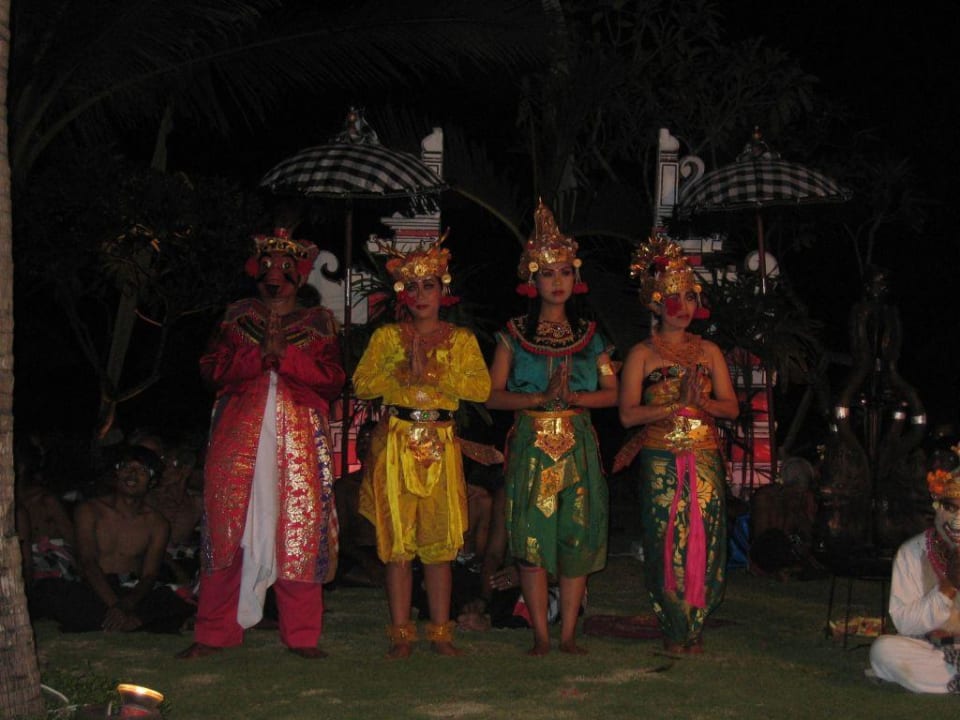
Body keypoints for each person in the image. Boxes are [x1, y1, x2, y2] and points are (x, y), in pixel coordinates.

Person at [178, 228, 345, 660]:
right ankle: (213, 632)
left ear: (299, 276)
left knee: (299, 532)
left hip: (299, 442)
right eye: (268, 267)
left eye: (285, 269)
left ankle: (302, 636)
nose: (276, 277)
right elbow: (211, 371)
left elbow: (332, 380)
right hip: (238, 438)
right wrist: (258, 356)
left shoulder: (319, 323)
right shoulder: (236, 317)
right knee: (226, 531)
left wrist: (286, 357)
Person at [486, 199, 617, 656]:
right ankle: (541, 635)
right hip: (532, 443)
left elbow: (612, 393)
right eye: (547, 273)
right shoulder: (512, 335)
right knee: (531, 536)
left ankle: (569, 635)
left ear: (574, 277)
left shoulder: (592, 338)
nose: (557, 281)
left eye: (564, 272)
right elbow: (491, 395)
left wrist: (575, 398)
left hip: (577, 442)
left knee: (577, 534)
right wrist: (538, 399)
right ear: (532, 279)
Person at [353, 232, 491, 658]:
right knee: (397, 546)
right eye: (411, 286)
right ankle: (401, 635)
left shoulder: (461, 340)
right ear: (402, 293)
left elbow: (481, 389)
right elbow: (361, 384)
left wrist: (433, 375)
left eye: (428, 285)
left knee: (439, 547)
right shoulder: (387, 338)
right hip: (396, 445)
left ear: (442, 289)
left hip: (440, 444)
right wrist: (401, 373)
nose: (419, 295)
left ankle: (440, 633)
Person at [617, 231, 738, 654]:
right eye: (673, 298)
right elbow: (627, 415)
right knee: (665, 538)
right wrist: (674, 407)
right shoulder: (642, 354)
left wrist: (701, 403)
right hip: (660, 457)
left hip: (703, 455)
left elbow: (731, 408)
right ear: (655, 304)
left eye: (689, 296)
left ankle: (696, 622)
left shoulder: (709, 352)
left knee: (708, 535)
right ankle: (673, 623)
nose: (683, 306)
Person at [34, 445, 195, 633]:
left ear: (152, 482)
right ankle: (131, 622)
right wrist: (115, 606)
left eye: (142, 470)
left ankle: (114, 621)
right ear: (116, 473)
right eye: (127, 467)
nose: (132, 474)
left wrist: (125, 605)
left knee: (174, 598)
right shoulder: (89, 510)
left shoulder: (157, 523)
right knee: (50, 590)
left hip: (130, 590)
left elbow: (149, 575)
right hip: (95, 587)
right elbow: (88, 561)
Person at [869, 447, 960, 693]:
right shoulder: (912, 552)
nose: (956, 520)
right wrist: (948, 587)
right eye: (951, 508)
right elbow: (905, 624)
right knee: (883, 651)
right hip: (935, 649)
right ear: (937, 507)